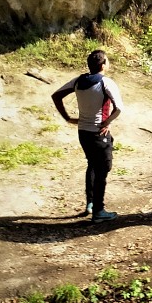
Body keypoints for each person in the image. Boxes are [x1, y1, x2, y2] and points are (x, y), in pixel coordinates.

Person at [52, 49, 124, 221]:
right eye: (107, 61)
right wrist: (107, 122)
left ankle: (90, 203)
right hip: (99, 134)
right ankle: (99, 211)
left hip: (83, 132)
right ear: (103, 64)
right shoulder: (106, 82)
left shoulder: (78, 80)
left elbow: (56, 96)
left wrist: (68, 118)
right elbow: (119, 108)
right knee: (103, 169)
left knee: (92, 164)